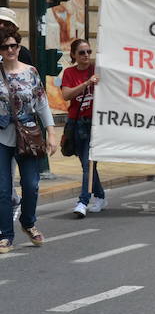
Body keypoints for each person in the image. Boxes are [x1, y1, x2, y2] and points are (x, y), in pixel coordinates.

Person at [0, 13, 59, 253]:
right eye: (5, 47)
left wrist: (51, 133)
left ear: (19, 45)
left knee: (31, 185)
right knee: (3, 189)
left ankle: (28, 223)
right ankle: (5, 234)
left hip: (29, 135)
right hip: (2, 137)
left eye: (14, 45)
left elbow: (42, 103)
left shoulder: (31, 72)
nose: (10, 50)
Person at [61, 39, 106, 218]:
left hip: (93, 124)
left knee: (88, 163)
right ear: (73, 55)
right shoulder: (69, 73)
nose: (86, 55)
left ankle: (83, 201)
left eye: (88, 51)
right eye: (82, 52)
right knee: (86, 164)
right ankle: (101, 196)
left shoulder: (98, 69)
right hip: (75, 123)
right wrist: (86, 83)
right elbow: (66, 95)